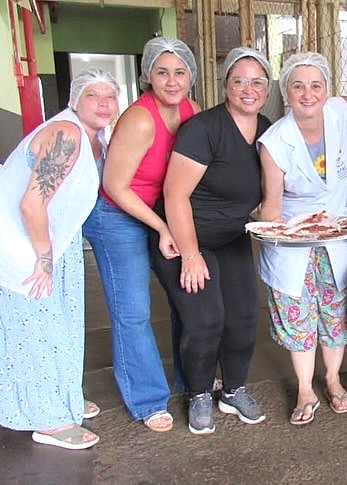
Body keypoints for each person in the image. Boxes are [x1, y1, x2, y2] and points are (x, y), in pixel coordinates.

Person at [151, 47, 272, 435]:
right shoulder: (203, 129)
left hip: (232, 235)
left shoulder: (267, 129)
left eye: (257, 82)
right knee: (206, 321)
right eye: (239, 81)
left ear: (268, 89)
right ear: (225, 86)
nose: (248, 89)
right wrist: (190, 254)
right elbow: (175, 195)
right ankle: (200, 393)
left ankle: (233, 390)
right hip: (186, 237)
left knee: (244, 317)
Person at [83, 36, 200, 432]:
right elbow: (115, 186)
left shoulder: (191, 111)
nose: (172, 81)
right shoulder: (140, 119)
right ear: (148, 76)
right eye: (162, 72)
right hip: (118, 215)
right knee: (133, 312)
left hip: (162, 211)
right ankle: (147, 399)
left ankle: (190, 378)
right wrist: (163, 227)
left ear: (191, 76)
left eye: (180, 72)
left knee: (186, 297)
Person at [0, 69, 120, 450]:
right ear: (73, 101)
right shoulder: (67, 135)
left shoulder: (96, 138)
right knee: (37, 330)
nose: (103, 103)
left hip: (54, 241)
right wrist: (44, 257)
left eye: (110, 96)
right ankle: (49, 419)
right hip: (27, 243)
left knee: (62, 325)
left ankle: (62, 396)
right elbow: (31, 204)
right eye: (92, 95)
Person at [258, 52, 347, 425]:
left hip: (339, 238)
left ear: (327, 89)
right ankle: (305, 388)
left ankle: (333, 379)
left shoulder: (339, 111)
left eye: (316, 85)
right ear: (286, 92)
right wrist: (275, 227)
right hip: (295, 242)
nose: (308, 94)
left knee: (335, 313)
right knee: (298, 316)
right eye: (298, 86)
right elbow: (272, 204)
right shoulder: (274, 142)